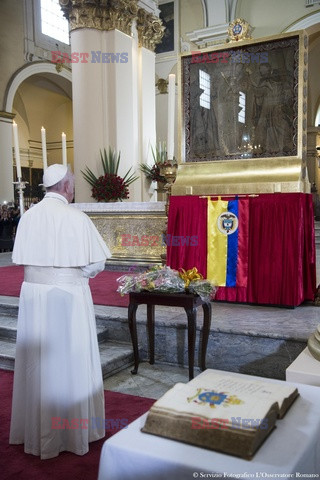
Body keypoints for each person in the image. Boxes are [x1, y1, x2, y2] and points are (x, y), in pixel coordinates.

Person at [9, 164, 111, 459]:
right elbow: (95, 264)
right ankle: (70, 434)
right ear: (66, 186)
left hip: (34, 295)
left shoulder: (28, 216)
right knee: (70, 360)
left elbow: (21, 258)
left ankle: (35, 431)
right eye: (73, 183)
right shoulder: (76, 217)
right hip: (68, 296)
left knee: (38, 362)